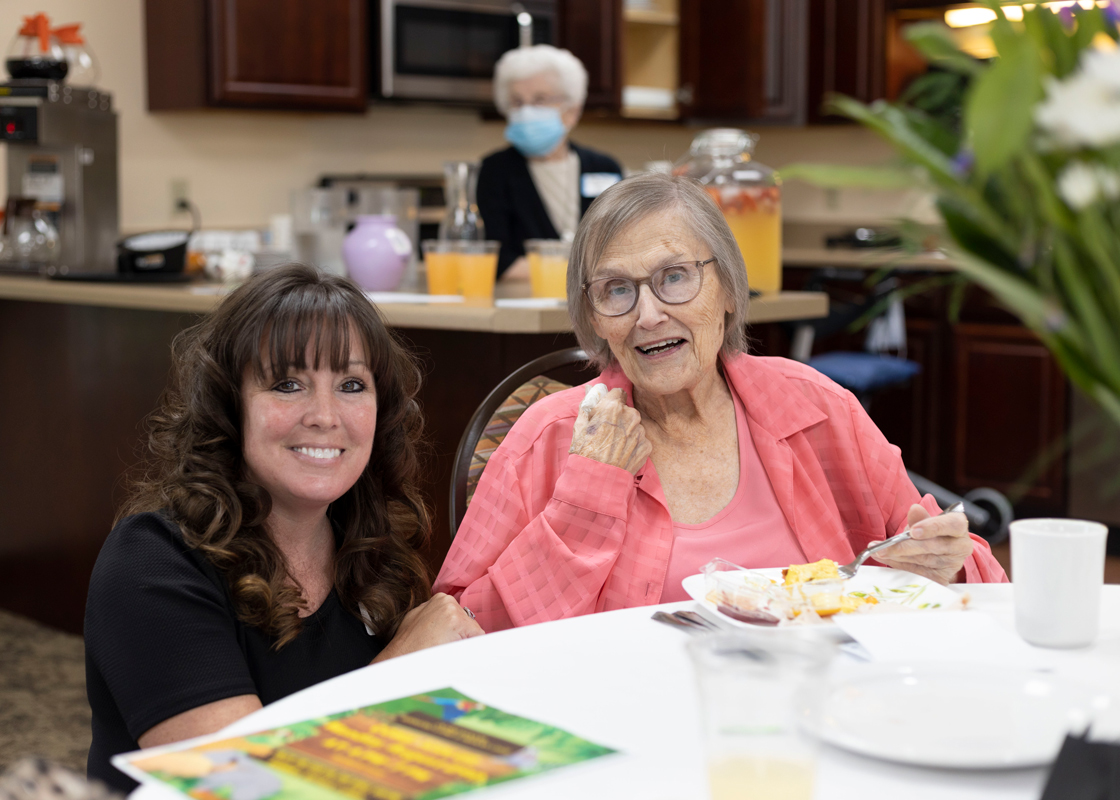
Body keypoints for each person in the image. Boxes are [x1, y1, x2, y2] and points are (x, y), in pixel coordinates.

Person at [435, 173, 1007, 632]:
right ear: (592, 319)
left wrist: (944, 563)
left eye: (675, 277)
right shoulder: (551, 436)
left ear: (730, 289)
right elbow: (457, 632)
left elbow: (970, 578)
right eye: (616, 290)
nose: (648, 314)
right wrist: (585, 498)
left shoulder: (813, 408)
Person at [85, 265, 482, 792]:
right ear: (230, 407)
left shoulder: (372, 550)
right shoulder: (152, 563)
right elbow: (242, 786)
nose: (324, 415)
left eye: (351, 385)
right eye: (288, 384)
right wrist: (398, 671)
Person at [478, 45, 624, 282]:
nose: (526, 112)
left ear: (571, 111)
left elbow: (624, 246)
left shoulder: (604, 168)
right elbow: (497, 260)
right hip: (527, 305)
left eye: (540, 100)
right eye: (517, 102)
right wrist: (584, 273)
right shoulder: (495, 171)